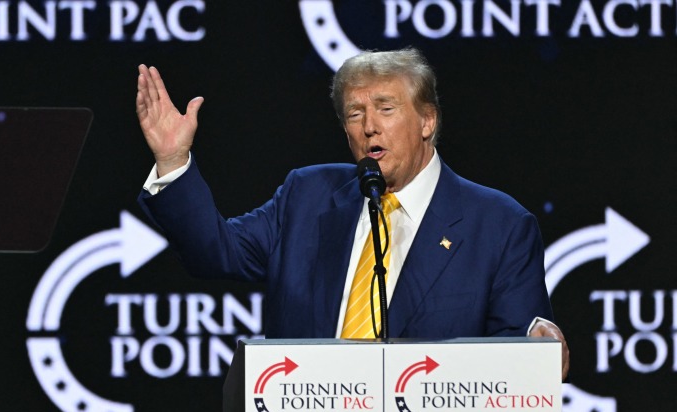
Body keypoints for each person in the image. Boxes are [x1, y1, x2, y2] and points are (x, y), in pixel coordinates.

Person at [136, 48, 569, 379]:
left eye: (386, 108)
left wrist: (537, 347)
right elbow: (215, 252)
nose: (369, 126)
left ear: (427, 121)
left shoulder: (499, 225)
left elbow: (519, 354)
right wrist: (173, 161)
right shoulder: (307, 196)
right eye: (355, 114)